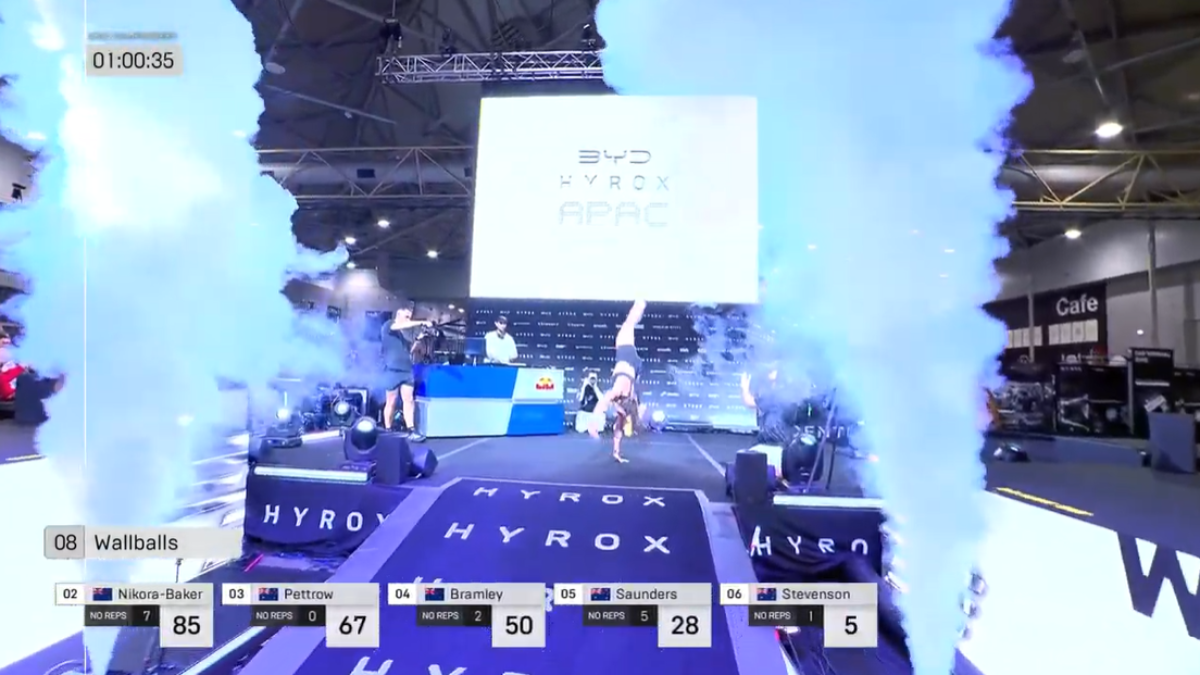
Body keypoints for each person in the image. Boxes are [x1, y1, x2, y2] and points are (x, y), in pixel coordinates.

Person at [588, 300, 647, 449]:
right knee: (628, 323)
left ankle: (640, 304)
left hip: (634, 369)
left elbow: (616, 425)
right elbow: (602, 406)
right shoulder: (618, 394)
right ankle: (640, 302)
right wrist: (593, 424)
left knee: (629, 324)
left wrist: (616, 451)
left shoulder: (623, 400)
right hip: (627, 359)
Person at [380, 302, 431, 439]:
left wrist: (419, 339)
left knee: (408, 400)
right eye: (406, 316)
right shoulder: (388, 325)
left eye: (409, 317)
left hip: (406, 370)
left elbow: (410, 351)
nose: (408, 319)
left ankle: (411, 430)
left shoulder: (403, 335)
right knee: (391, 401)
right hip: (392, 370)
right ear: (398, 314)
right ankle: (388, 429)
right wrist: (421, 322)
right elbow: (400, 325)